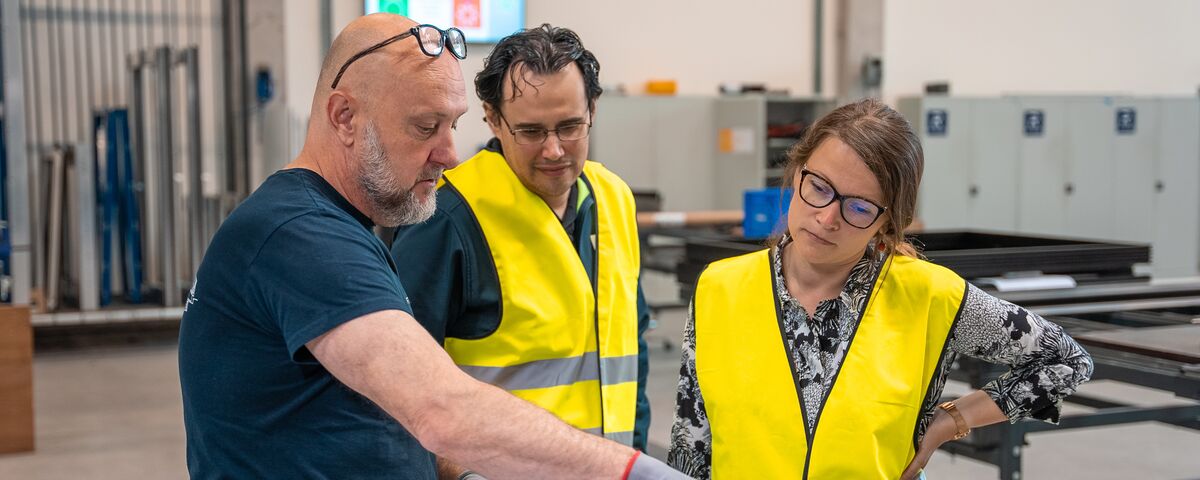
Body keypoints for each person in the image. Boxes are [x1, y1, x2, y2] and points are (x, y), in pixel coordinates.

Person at [178, 13, 684, 479]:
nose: (446, 154)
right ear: (344, 116)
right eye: (425, 127)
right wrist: (638, 473)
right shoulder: (300, 235)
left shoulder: (338, 227)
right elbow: (440, 410)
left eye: (452, 126)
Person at [667, 99, 1094, 479]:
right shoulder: (719, 288)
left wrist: (949, 422)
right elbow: (691, 442)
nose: (827, 218)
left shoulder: (928, 297)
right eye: (818, 187)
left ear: (887, 222)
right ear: (797, 173)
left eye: (857, 207)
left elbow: (1066, 360)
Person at [389, 24, 652, 477]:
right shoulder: (448, 219)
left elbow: (632, 349)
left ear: (593, 109)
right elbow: (393, 390)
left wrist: (636, 463)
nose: (553, 150)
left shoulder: (613, 199)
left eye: (570, 126)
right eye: (530, 131)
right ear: (492, 119)